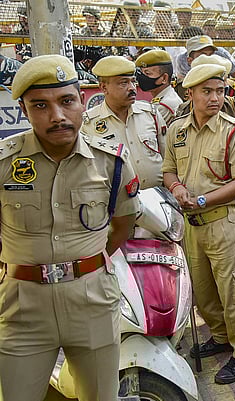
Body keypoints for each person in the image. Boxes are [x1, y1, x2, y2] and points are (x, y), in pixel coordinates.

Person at [0, 54, 139, 401]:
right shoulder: (4, 163)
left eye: (66, 101)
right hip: (22, 308)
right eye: (40, 105)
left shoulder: (111, 161)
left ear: (82, 101)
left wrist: (86, 265)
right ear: (24, 109)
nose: (57, 116)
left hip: (92, 301)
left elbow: (122, 226)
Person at [162, 64, 235, 384]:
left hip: (223, 222)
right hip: (191, 226)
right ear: (189, 94)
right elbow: (169, 170)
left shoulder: (233, 130)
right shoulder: (177, 130)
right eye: (207, 91)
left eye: (219, 91)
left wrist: (202, 200)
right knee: (203, 291)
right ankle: (219, 337)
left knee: (234, 291)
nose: (215, 97)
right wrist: (177, 189)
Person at [82, 56, 167, 189]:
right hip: (117, 205)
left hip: (157, 200)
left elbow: (167, 158)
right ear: (104, 88)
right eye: (123, 83)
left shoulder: (150, 114)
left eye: (133, 82)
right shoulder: (88, 124)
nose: (132, 88)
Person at [135, 49, 182, 124]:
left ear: (164, 78)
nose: (143, 77)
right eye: (142, 72)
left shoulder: (164, 105)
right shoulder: (164, 97)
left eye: (148, 73)